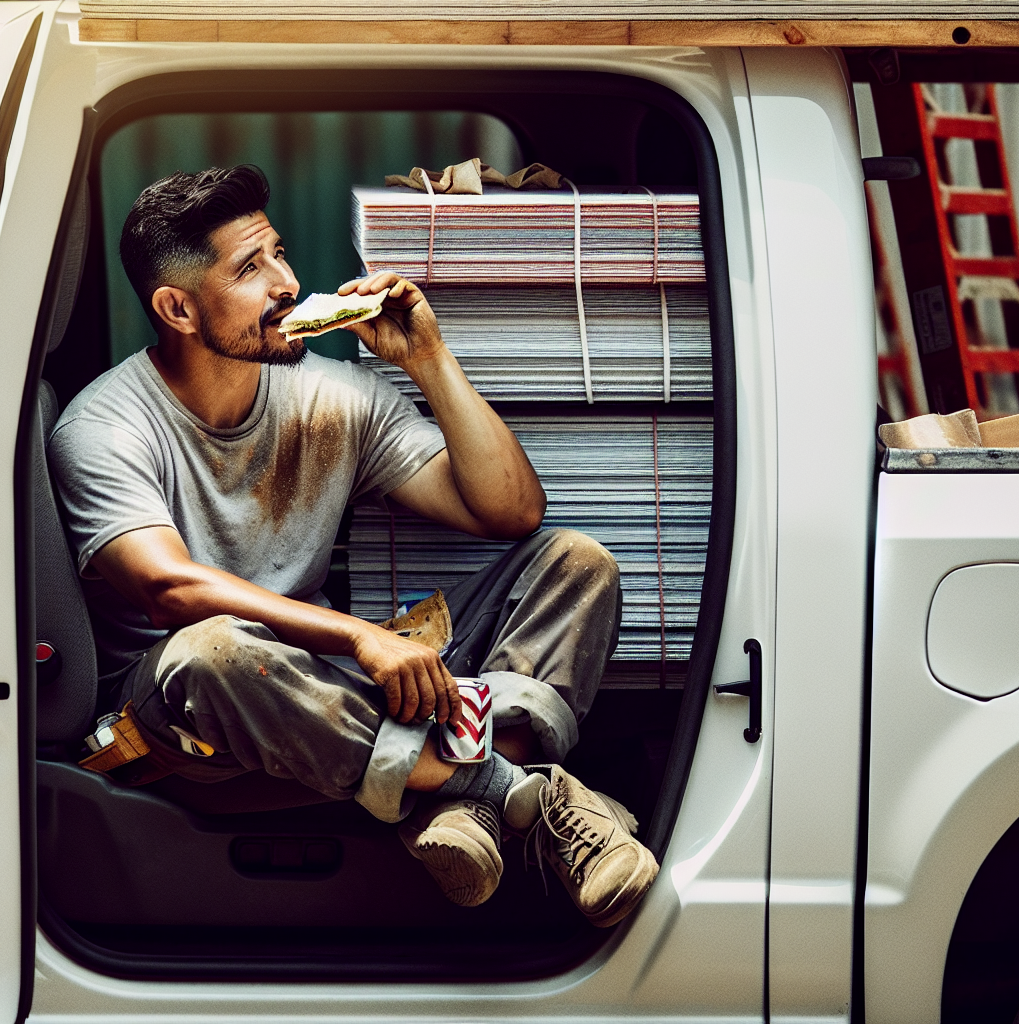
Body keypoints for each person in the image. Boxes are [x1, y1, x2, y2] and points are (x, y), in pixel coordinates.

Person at [48, 164, 658, 925]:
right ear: (177, 307)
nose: (287, 283)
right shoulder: (104, 428)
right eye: (250, 267)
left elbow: (510, 511)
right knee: (214, 648)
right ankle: (511, 789)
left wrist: (426, 360)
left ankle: (463, 809)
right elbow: (169, 590)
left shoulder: (330, 393)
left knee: (576, 563)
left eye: (277, 253)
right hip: (194, 724)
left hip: (331, 694)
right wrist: (362, 638)